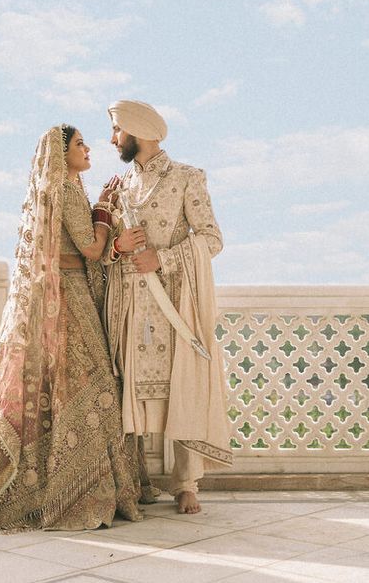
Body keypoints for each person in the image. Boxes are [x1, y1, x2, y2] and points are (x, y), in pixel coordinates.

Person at [0, 124, 142, 531]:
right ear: (60, 154)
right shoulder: (68, 191)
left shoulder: (63, 189)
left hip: (63, 296)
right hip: (69, 298)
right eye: (79, 144)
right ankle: (72, 491)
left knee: (64, 389)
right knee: (94, 387)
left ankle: (57, 484)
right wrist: (105, 210)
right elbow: (90, 247)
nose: (88, 149)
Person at [104, 99, 232, 515]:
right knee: (129, 389)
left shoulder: (185, 178)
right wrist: (118, 249)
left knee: (183, 389)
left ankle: (186, 484)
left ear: (138, 131)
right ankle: (135, 481)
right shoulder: (120, 186)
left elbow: (211, 238)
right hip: (128, 303)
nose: (112, 139)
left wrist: (164, 259)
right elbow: (107, 248)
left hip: (174, 303)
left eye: (117, 131)